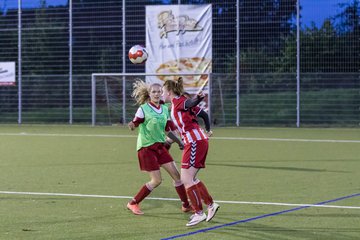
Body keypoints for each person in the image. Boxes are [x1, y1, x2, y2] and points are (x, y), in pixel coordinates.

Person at [126, 80, 191, 215]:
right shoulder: (143, 109)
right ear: (149, 94)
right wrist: (132, 125)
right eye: (153, 92)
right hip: (146, 148)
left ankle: (186, 205)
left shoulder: (164, 109)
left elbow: (168, 130)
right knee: (157, 180)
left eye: (158, 91)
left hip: (160, 147)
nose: (156, 94)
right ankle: (133, 203)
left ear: (162, 93)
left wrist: (179, 142)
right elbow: (136, 123)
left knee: (177, 176)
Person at [162, 77, 220, 227]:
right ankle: (211, 205)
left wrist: (197, 99)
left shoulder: (179, 101)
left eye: (162, 92)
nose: (161, 95)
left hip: (194, 142)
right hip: (196, 141)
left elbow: (190, 103)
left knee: (186, 179)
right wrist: (208, 130)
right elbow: (204, 115)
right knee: (190, 178)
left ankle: (199, 213)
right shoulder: (176, 104)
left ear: (169, 92)